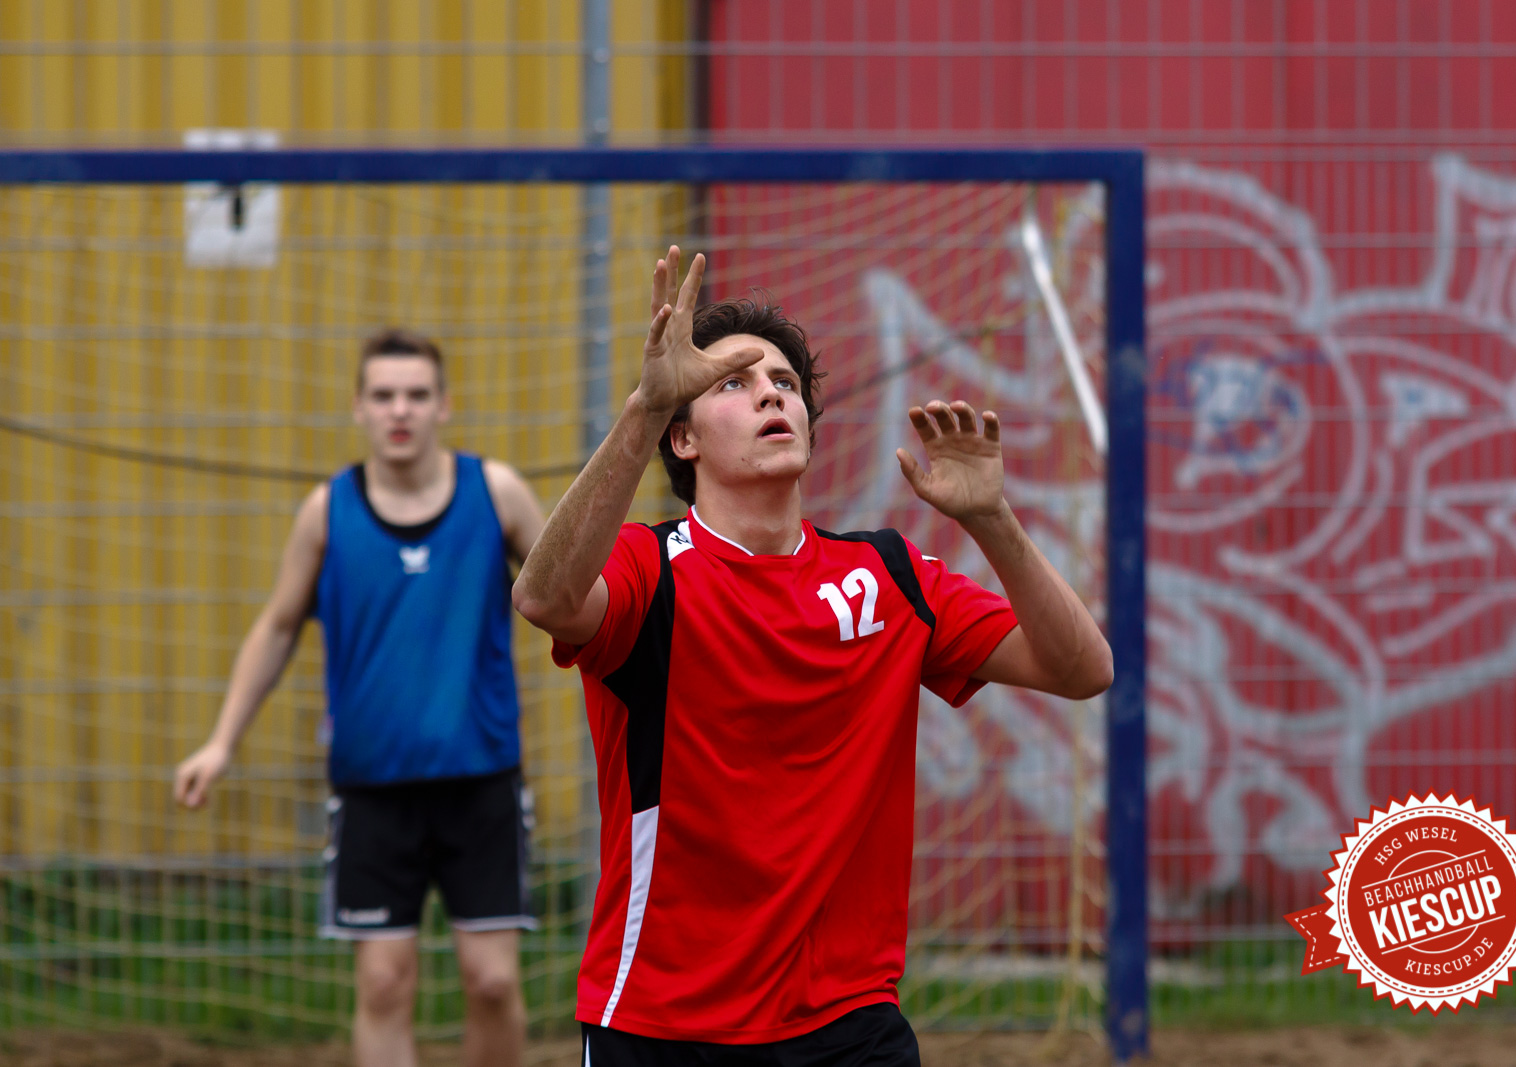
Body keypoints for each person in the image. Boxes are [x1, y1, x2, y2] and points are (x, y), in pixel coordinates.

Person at [513, 248, 1112, 1066]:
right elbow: (544, 598)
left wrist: (994, 520)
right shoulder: (648, 572)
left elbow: (1084, 671)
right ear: (682, 438)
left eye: (785, 384)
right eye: (733, 382)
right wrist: (643, 409)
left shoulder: (888, 577)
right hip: (664, 1023)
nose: (770, 393)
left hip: (849, 1020)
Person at [173, 329, 546, 1067]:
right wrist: (221, 741)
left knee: (494, 980)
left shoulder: (495, 493)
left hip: (482, 778)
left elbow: (570, 595)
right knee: (382, 983)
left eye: (415, 394)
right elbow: (277, 625)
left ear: (444, 404)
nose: (399, 409)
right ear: (358, 408)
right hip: (373, 786)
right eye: (383, 395)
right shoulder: (327, 510)